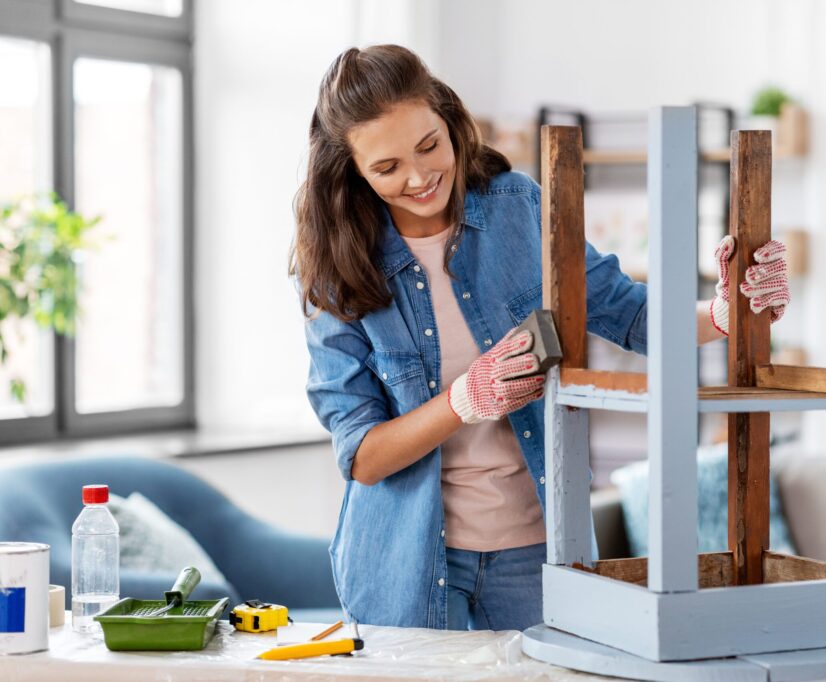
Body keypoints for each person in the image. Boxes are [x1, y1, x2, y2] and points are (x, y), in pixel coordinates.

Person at [290, 44, 790, 632]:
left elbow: (628, 315)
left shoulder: (517, 208)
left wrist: (731, 312)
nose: (421, 177)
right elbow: (361, 456)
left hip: (538, 551)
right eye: (387, 167)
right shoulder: (335, 268)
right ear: (351, 170)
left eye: (429, 146)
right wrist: (462, 401)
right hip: (405, 563)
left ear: (450, 121)